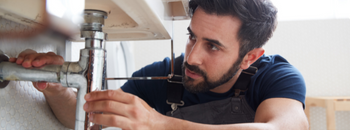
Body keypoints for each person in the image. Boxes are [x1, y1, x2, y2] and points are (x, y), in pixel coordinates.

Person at [10, 0, 308, 129]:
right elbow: (94, 119)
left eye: (213, 46)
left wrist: (158, 123)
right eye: (193, 37)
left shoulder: (277, 78)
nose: (191, 57)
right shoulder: (164, 76)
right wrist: (56, 89)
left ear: (250, 57)